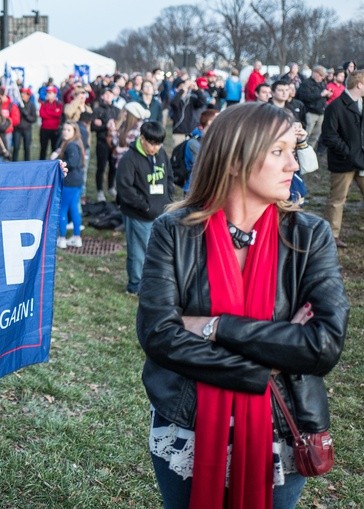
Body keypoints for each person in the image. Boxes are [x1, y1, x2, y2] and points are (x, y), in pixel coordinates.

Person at [137, 102, 348, 509]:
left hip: (281, 427)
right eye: (278, 151)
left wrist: (214, 326)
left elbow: (322, 346)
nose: (293, 165)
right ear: (234, 161)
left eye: (293, 150)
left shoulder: (310, 236)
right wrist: (267, 361)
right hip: (189, 421)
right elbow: (159, 336)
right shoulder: (174, 233)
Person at [115, 121, 173, 295]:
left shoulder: (161, 154)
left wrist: (168, 199)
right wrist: (144, 206)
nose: (155, 148)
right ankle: (135, 285)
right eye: (152, 143)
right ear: (142, 139)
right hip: (138, 214)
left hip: (160, 211)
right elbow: (125, 189)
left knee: (157, 250)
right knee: (138, 251)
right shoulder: (129, 159)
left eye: (159, 144)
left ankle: (152, 280)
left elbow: (168, 177)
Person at [320, 69, 364, 248]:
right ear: (360, 85)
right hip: (343, 162)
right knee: (337, 200)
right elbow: (329, 136)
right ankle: (332, 235)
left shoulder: (362, 103)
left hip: (362, 160)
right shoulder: (335, 106)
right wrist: (347, 151)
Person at [52, 121, 85, 248]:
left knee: (63, 209)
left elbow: (72, 162)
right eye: (64, 129)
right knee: (74, 208)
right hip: (76, 181)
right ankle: (76, 238)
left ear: (74, 132)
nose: (65, 132)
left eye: (68, 130)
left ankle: (62, 238)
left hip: (69, 182)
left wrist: (56, 159)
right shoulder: (74, 144)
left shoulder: (71, 146)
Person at [38, 85, 62, 160]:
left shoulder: (59, 104)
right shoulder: (43, 104)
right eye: (48, 92)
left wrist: (47, 112)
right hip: (44, 129)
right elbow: (42, 114)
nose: (48, 94)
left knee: (54, 148)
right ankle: (41, 164)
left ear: (55, 94)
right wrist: (52, 113)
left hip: (54, 129)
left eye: (50, 93)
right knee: (43, 148)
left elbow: (58, 114)